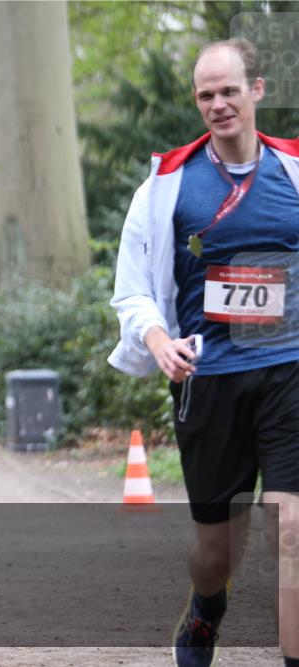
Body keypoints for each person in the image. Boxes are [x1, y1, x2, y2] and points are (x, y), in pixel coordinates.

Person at [108, 38, 299, 667]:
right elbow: (133, 292)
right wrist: (158, 340)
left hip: (288, 374)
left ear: (258, 90)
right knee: (218, 554)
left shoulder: (293, 172)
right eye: (205, 95)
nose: (218, 105)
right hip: (209, 379)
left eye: (229, 91)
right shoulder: (166, 188)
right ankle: (206, 606)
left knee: (293, 533)